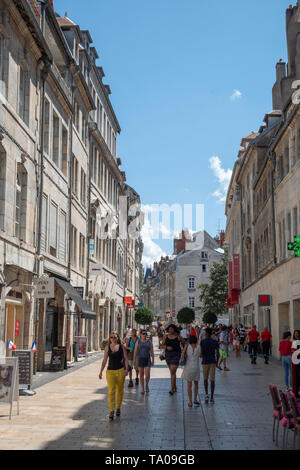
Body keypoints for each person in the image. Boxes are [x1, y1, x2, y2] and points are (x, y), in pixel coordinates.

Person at [99, 331, 129, 421]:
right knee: (111, 390)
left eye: (115, 337)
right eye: (111, 337)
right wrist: (100, 371)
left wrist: (126, 369)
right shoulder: (107, 347)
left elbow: (126, 358)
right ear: (109, 339)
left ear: (118, 338)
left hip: (120, 371)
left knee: (120, 390)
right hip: (110, 372)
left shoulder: (121, 347)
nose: (113, 339)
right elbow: (104, 360)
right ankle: (112, 410)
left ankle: (118, 408)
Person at [162, 324, 185, 395]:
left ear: (174, 329)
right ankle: (174, 386)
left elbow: (185, 343)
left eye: (172, 329)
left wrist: (183, 352)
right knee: (172, 372)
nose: (170, 330)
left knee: (172, 371)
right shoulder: (165, 336)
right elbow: (162, 345)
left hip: (176, 355)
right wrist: (166, 347)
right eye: (169, 329)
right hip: (168, 355)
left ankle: (172, 389)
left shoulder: (178, 337)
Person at [181, 335, 201, 407]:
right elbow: (201, 355)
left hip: (188, 367)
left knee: (189, 385)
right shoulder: (198, 347)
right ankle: (195, 399)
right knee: (196, 384)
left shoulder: (187, 346)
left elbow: (182, 354)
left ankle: (190, 401)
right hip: (196, 367)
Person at [200, 327, 219, 403]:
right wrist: (217, 362)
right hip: (212, 361)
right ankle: (211, 397)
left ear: (206, 333)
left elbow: (201, 354)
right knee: (212, 380)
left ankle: (206, 395)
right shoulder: (214, 342)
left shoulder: (202, 342)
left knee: (205, 379)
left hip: (205, 361)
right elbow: (217, 353)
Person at [134, 329, 154, 395]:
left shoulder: (149, 342)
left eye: (146, 334)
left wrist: (153, 360)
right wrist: (134, 360)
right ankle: (142, 388)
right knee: (141, 375)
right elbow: (135, 351)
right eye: (143, 333)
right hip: (140, 359)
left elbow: (152, 351)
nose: (145, 335)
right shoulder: (138, 341)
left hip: (147, 359)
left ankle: (147, 385)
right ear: (140, 334)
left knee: (147, 375)